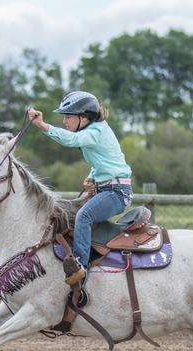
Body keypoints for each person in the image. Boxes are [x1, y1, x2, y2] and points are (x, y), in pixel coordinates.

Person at [28, 91, 133, 286]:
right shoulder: (96, 131)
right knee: (72, 214)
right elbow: (103, 161)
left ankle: (80, 266)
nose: (65, 122)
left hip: (116, 193)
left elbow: (71, 140)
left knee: (83, 216)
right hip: (108, 189)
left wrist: (43, 126)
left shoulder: (95, 132)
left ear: (83, 117)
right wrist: (91, 177)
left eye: (68, 117)